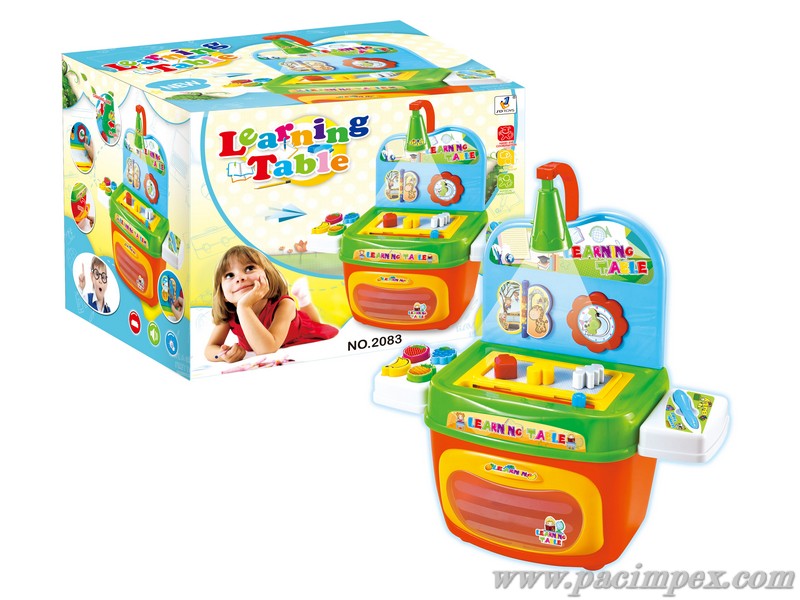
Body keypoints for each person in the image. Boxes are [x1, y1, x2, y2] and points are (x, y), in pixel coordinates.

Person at [205, 245, 337, 363]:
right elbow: (210, 349)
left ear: (268, 276)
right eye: (229, 275)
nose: (240, 278)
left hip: (301, 331)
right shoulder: (230, 314)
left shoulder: (284, 304)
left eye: (249, 268)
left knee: (313, 322)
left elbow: (266, 349)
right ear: (223, 294)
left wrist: (244, 307)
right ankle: (302, 297)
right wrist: (222, 355)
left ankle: (303, 299)